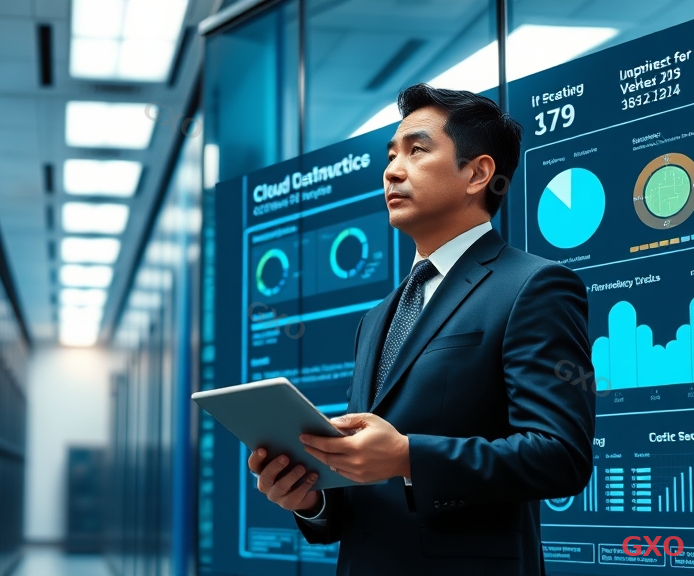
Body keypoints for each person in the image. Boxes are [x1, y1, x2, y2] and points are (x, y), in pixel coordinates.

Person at [247, 84, 596, 575]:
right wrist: (311, 498)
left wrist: (409, 457)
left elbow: (561, 455)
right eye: (391, 155)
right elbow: (359, 498)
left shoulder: (533, 286)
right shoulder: (377, 317)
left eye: (417, 150)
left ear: (477, 174)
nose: (391, 170)